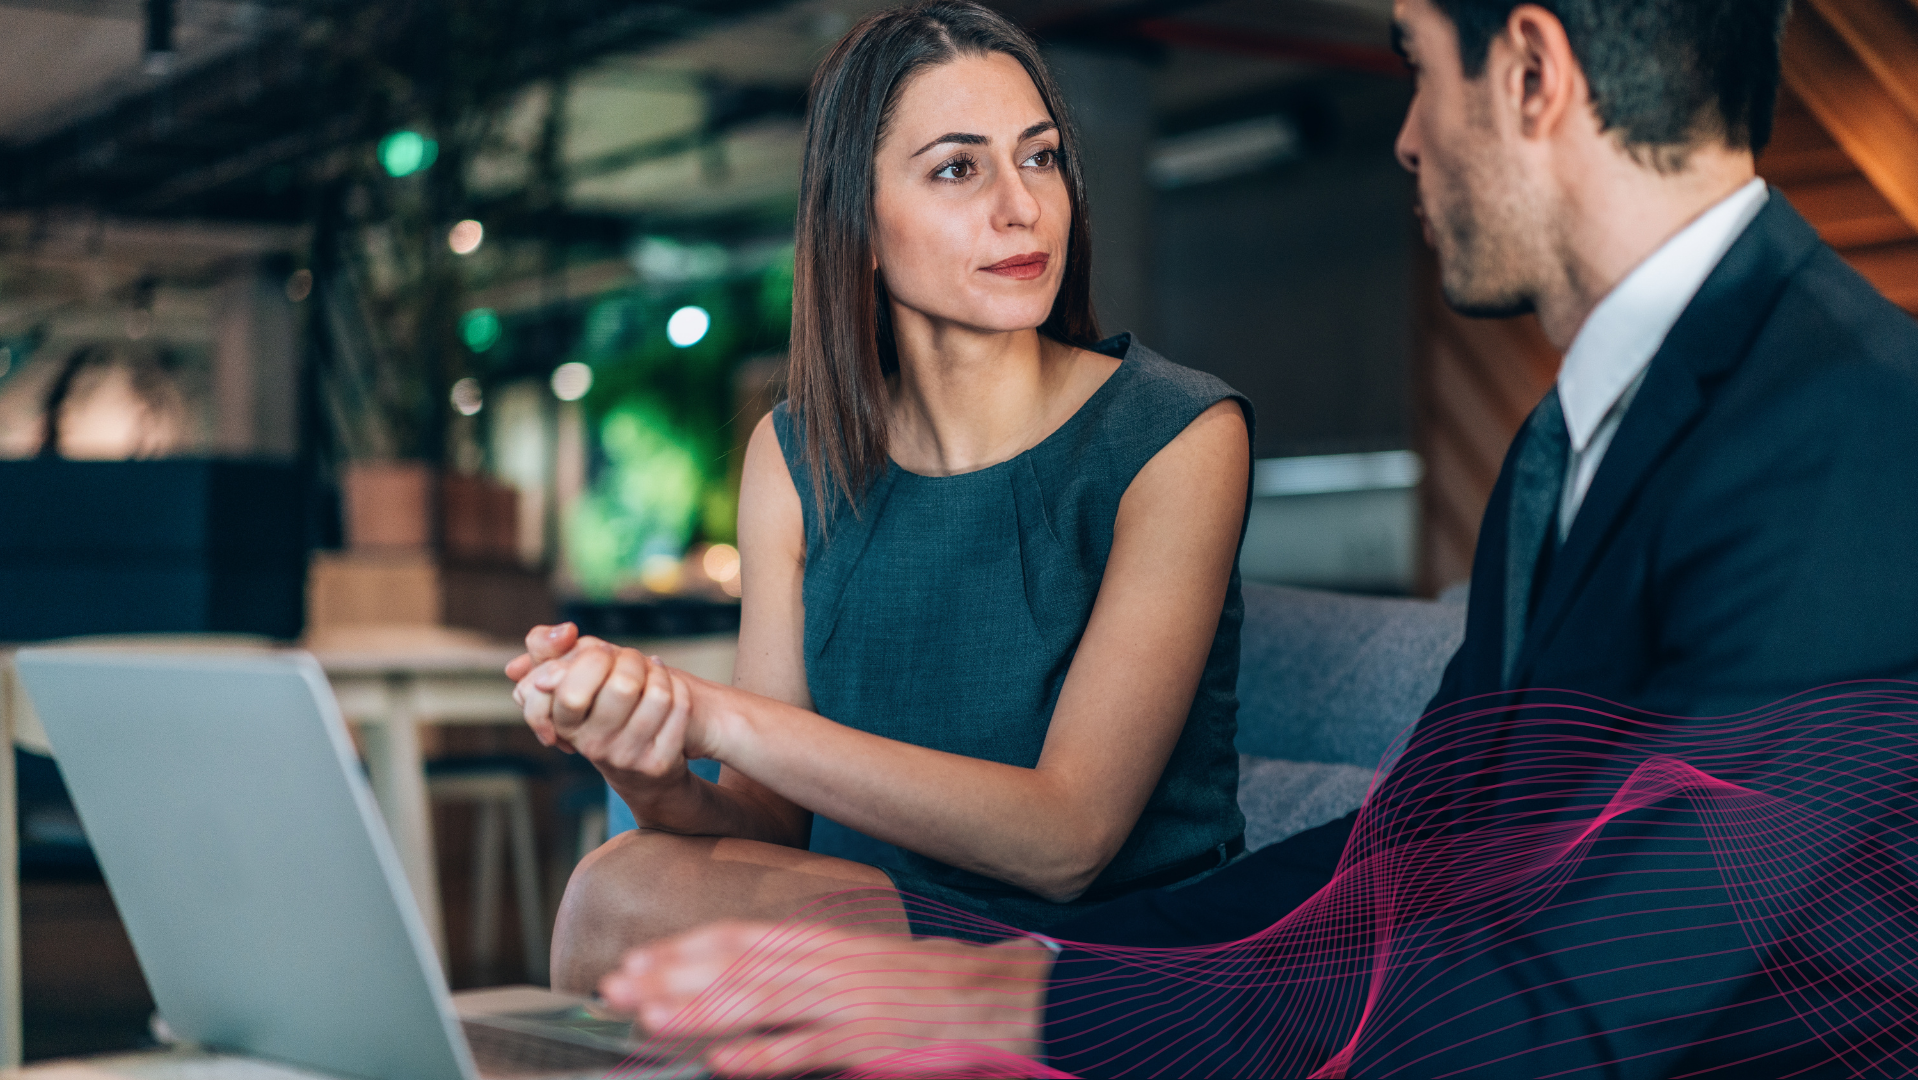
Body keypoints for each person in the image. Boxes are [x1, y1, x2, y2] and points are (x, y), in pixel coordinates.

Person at [585, 0, 1918, 1075]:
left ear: (1529, 74)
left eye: (1416, 69)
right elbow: (1400, 858)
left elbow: (1597, 1003)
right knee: (623, 901)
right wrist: (1026, 981)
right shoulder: (1578, 432)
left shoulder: (1851, 428)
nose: (1403, 137)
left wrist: (1036, 1007)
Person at [509, 1, 1256, 991]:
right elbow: (768, 824)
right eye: (958, 168)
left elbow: (1068, 839)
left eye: (1038, 158)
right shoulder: (793, 457)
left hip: (1111, 955)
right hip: (883, 923)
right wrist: (643, 763)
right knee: (628, 874)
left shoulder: (1180, 435)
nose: (1021, 207)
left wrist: (717, 715)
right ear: (855, 223)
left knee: (621, 898)